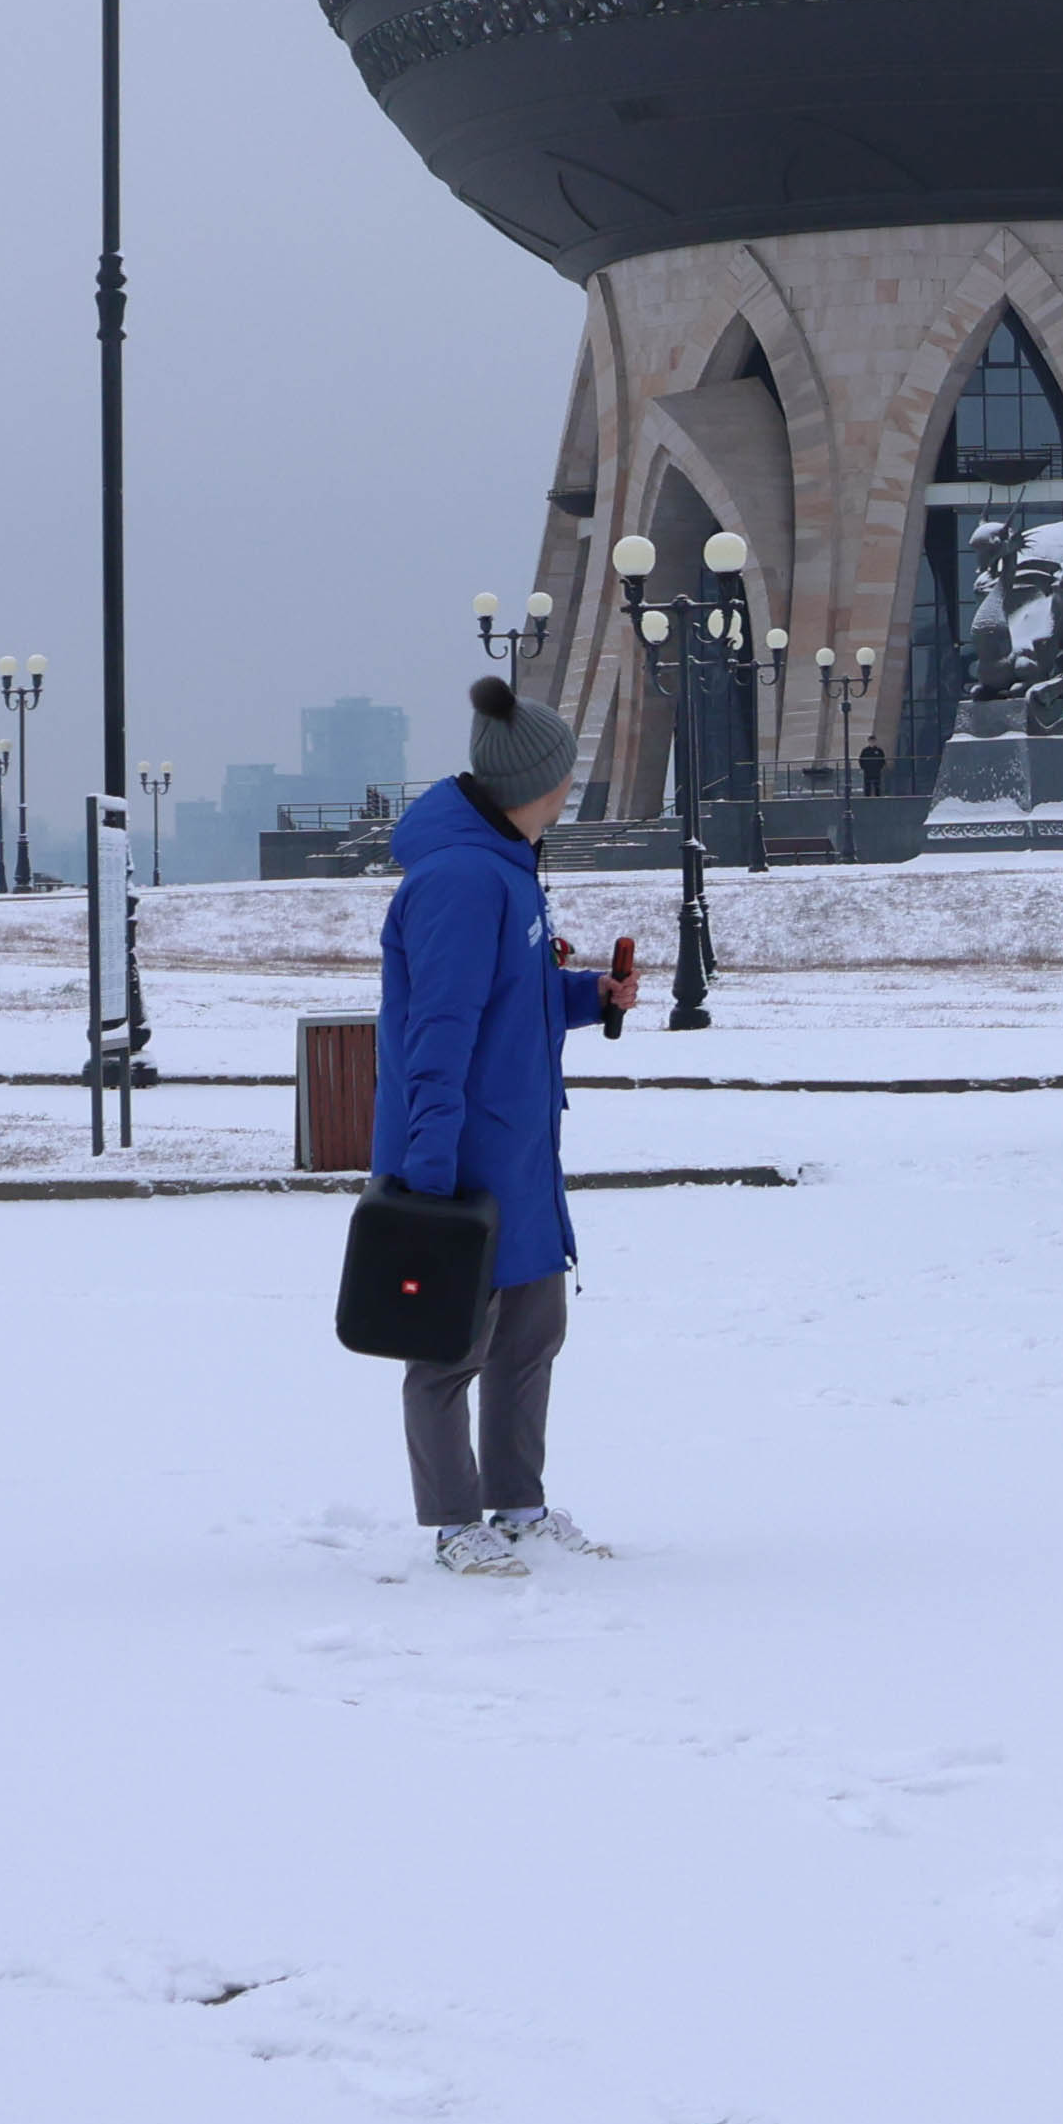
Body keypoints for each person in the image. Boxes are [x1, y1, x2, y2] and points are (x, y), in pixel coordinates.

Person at [374, 674, 626, 1578]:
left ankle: (517, 1503)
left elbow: (508, 1003)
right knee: (450, 1346)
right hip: (461, 1160)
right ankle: (454, 1523)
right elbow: (436, 1035)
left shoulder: (509, 868)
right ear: (538, 786)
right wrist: (428, 1175)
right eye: (565, 778)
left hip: (517, 1152)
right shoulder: (462, 881)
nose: (571, 792)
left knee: (529, 1334)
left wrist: (587, 997)